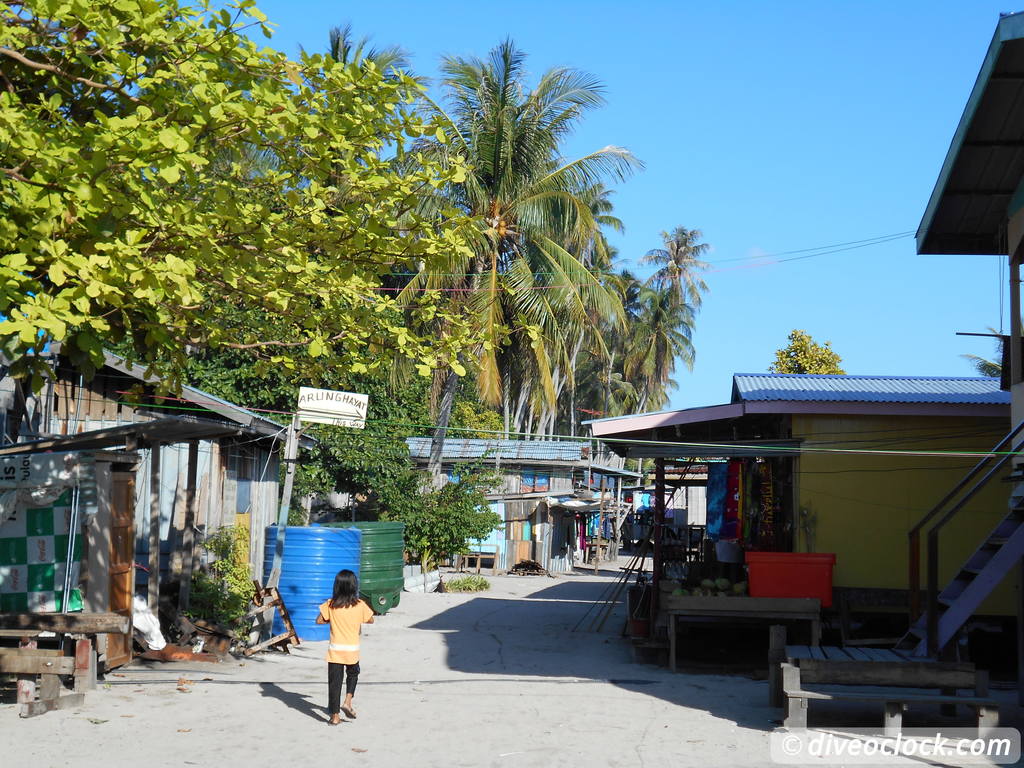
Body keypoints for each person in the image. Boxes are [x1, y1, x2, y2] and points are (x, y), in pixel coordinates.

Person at [316, 569, 375, 726]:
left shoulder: (330, 604)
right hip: (352, 650)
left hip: (335, 650)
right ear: (353, 586)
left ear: (337, 586)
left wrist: (333, 620)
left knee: (335, 682)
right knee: (353, 673)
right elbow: (371, 620)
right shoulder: (359, 605)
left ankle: (335, 716)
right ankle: (348, 701)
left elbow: (319, 621)